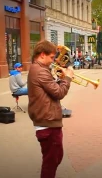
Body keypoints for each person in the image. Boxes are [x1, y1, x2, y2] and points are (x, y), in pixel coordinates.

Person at [27, 40, 74, 178]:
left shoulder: (39, 69)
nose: (53, 61)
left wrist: (60, 79)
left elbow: (52, 89)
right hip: (47, 122)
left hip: (47, 120)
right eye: (52, 57)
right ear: (42, 55)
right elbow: (59, 93)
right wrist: (68, 78)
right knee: (51, 162)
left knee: (55, 157)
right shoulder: (40, 71)